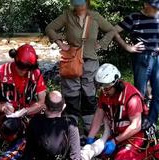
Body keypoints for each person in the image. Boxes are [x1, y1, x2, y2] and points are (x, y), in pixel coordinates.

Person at [45, 0, 115, 134]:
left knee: (89, 95)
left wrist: (101, 43)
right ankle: (72, 128)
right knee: (71, 94)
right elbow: (49, 28)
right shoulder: (66, 16)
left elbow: (111, 30)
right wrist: (61, 44)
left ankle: (90, 128)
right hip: (71, 61)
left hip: (91, 62)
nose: (79, 6)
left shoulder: (95, 16)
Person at [113, 0, 159, 129]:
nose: (157, 10)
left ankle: (151, 122)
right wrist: (127, 47)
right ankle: (139, 122)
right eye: (154, 7)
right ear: (146, 5)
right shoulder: (134, 17)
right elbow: (114, 30)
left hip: (156, 58)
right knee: (140, 93)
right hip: (141, 58)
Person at [19, 91, 87, 160]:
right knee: (88, 150)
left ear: (45, 105)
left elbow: (28, 152)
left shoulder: (35, 121)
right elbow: (75, 158)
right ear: (63, 107)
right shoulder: (70, 124)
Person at [86, 64, 148, 160]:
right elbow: (98, 117)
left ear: (116, 84)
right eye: (102, 88)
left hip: (135, 135)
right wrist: (90, 138)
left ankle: (147, 154)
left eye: (106, 88)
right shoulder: (105, 93)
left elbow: (136, 126)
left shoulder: (131, 97)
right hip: (117, 135)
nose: (104, 92)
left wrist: (115, 141)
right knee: (101, 154)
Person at [0, 44, 46, 143]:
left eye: (26, 68)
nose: (23, 71)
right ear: (15, 59)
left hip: (29, 112)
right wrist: (3, 107)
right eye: (20, 67)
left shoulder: (36, 73)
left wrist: (26, 111)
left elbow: (42, 102)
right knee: (10, 128)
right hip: (8, 115)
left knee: (52, 118)